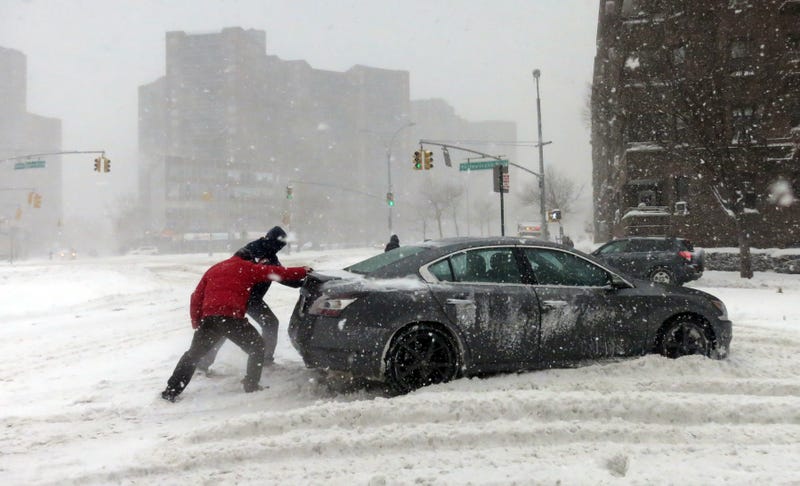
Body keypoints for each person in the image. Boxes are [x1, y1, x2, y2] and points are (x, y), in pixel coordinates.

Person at [161, 254, 311, 401]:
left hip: (210, 319)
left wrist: (197, 322)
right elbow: (277, 272)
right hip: (231, 318)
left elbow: (196, 297)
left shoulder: (214, 269)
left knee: (193, 355)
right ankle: (251, 384)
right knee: (257, 347)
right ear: (249, 259)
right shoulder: (247, 267)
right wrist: (303, 270)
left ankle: (171, 390)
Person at [197, 226, 298, 372]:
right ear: (272, 241)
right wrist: (298, 279)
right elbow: (278, 275)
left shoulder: (268, 253)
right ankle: (265, 359)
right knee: (266, 323)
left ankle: (204, 363)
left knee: (226, 327)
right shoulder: (255, 252)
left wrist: (301, 282)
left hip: (250, 297)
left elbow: (280, 274)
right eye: (279, 245)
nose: (279, 249)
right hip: (245, 297)